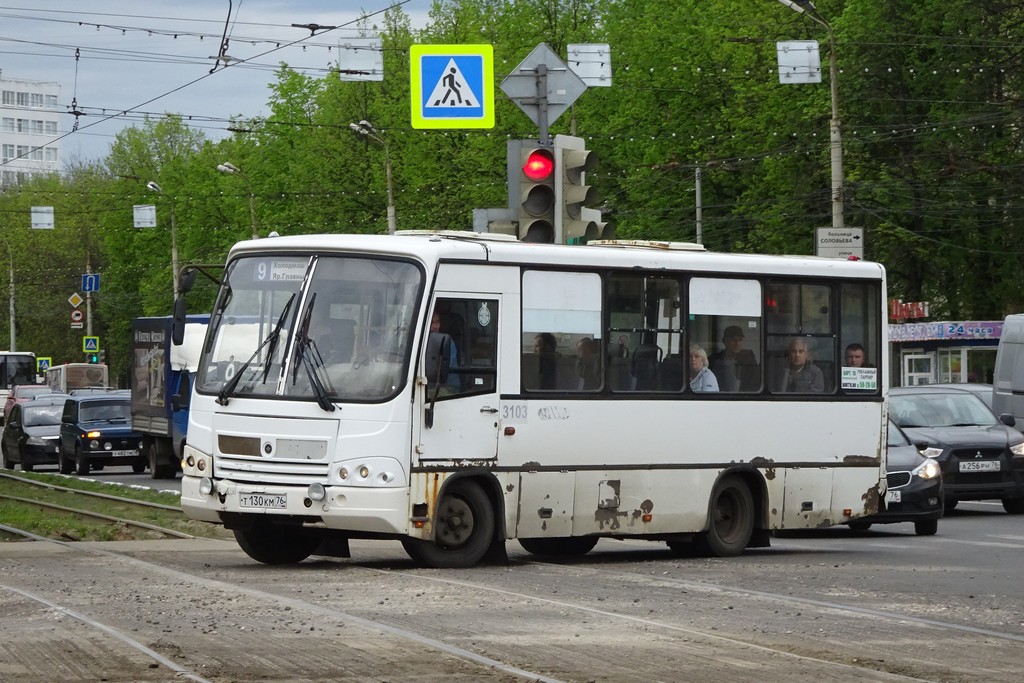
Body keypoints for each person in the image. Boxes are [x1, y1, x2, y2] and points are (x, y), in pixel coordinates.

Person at [708, 325, 759, 391]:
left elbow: (755, 381)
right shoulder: (714, 360)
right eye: (733, 340)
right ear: (724, 341)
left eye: (740, 340)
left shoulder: (748, 358)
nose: (737, 343)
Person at [431, 310, 460, 390]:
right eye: (431, 323)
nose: (435, 326)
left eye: (437, 322)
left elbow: (442, 369)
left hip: (449, 387)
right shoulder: (420, 342)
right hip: (431, 386)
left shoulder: (447, 342)